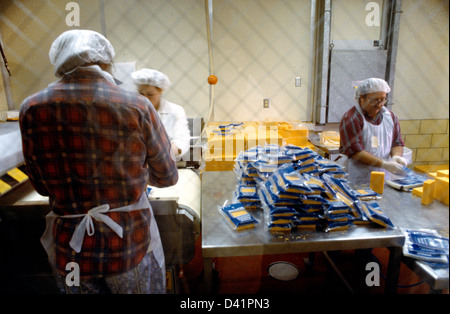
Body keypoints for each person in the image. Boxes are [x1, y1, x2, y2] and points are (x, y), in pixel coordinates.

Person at [19, 29, 178, 294]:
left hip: (71, 250)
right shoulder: (136, 105)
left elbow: (42, 186)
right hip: (127, 247)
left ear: (60, 63)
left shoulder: (31, 108)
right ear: (105, 62)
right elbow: (167, 176)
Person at [339, 78, 407, 186]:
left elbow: (397, 143)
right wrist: (384, 164)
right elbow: (356, 153)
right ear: (362, 98)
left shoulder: (391, 117)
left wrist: (396, 157)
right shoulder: (351, 119)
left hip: (384, 177)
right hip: (358, 178)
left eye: (383, 99)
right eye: (375, 100)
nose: (380, 104)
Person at [131, 68, 190, 159]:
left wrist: (161, 154)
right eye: (141, 94)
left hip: (167, 161)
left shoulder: (175, 111)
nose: (145, 99)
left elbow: (181, 141)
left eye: (150, 94)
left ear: (160, 91)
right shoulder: (132, 111)